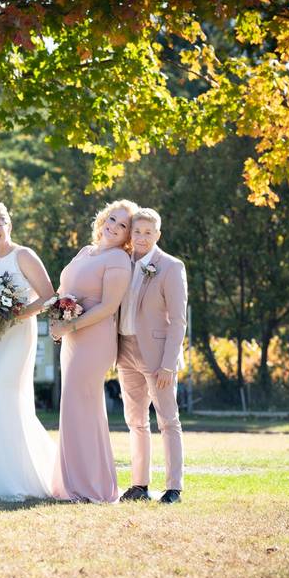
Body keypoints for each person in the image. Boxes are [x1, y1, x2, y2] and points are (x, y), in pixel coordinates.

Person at [0, 200, 58, 500]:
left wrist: (16, 314)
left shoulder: (24, 255)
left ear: (9, 224)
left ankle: (20, 477)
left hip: (19, 333)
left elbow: (49, 297)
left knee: (9, 394)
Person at [50, 200, 135, 503]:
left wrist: (70, 326)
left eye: (123, 225)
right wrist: (60, 315)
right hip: (73, 339)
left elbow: (108, 307)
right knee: (74, 408)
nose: (114, 226)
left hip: (94, 340)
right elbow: (65, 290)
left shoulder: (118, 259)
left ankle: (90, 487)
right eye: (112, 219)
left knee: (81, 408)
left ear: (128, 235)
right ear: (103, 218)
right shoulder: (86, 252)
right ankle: (75, 483)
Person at [116, 208, 188, 504]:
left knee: (168, 421)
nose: (142, 237)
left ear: (157, 235)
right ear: (130, 234)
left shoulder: (170, 266)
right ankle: (139, 485)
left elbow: (178, 320)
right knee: (135, 421)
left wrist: (169, 364)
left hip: (158, 357)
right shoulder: (121, 262)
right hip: (126, 352)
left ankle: (173, 488)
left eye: (148, 232)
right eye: (137, 232)